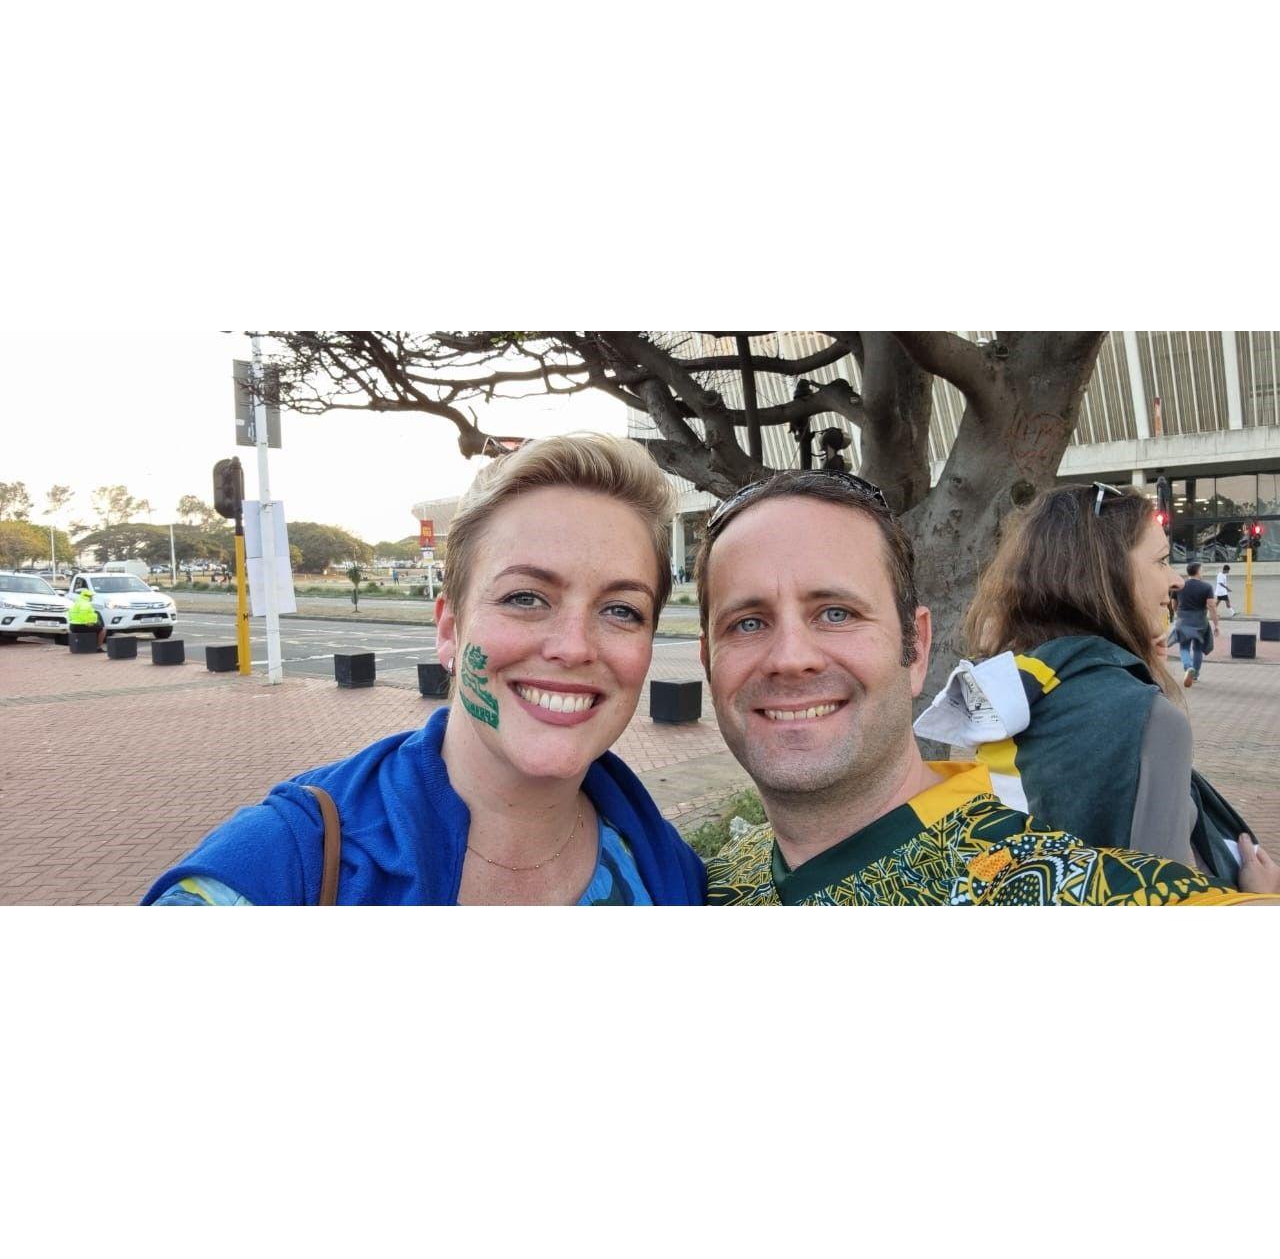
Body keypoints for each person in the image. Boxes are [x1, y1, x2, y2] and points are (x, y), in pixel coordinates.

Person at [143, 434, 706, 906]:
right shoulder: (279, 870)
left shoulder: (669, 868)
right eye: (525, 598)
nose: (573, 647)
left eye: (621, 610)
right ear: (449, 630)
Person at [692, 469, 1277, 906]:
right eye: (748, 623)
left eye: (837, 613)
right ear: (707, 662)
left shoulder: (1043, 884)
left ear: (917, 648)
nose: (791, 658)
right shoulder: (703, 883)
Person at [915, 482, 1277, 890]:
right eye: (1160, 561)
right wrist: (1262, 901)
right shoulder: (1145, 718)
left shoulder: (1018, 687)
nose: (1175, 579)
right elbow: (1167, 897)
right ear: (1107, 576)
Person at [1171, 561, 1220, 688]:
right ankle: (1195, 674)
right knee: (1198, 649)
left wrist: (1180, 614)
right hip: (1200, 620)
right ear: (1198, 571)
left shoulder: (1180, 585)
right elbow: (1212, 606)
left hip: (1183, 619)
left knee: (1184, 647)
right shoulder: (1207, 587)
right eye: (1202, 570)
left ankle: (1188, 667)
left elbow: (1174, 604)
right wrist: (1216, 625)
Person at [66, 587, 105, 651]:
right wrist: (88, 622)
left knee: (96, 627)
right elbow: (83, 613)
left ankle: (90, 646)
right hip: (83, 625)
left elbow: (70, 614)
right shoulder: (85, 603)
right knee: (102, 630)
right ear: (88, 596)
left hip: (73, 626)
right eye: (91, 596)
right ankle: (98, 647)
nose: (92, 597)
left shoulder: (77, 602)